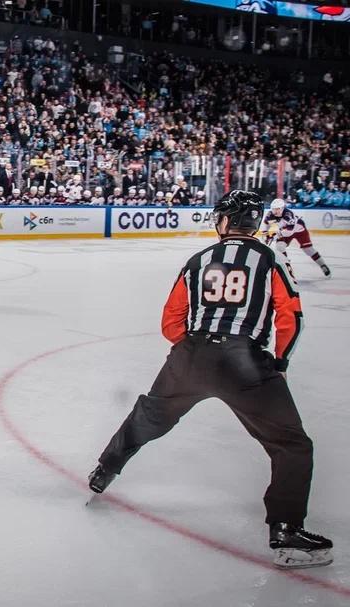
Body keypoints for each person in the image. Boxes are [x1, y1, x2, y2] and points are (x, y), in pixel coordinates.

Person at [88, 190, 333, 570]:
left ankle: (105, 469)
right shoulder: (270, 258)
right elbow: (291, 317)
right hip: (247, 365)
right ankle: (285, 530)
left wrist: (192, 353)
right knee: (291, 445)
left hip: (192, 356)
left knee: (150, 415)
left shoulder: (198, 260)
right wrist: (279, 364)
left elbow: (172, 320)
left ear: (225, 221)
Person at [263, 199, 331, 277]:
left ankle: (322, 265)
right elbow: (266, 226)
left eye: (278, 209)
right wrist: (267, 235)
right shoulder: (269, 215)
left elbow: (289, 231)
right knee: (280, 247)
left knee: (308, 250)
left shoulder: (288, 214)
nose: (275, 211)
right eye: (274, 209)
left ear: (282, 208)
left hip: (299, 230)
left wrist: (274, 235)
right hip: (283, 231)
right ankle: (286, 269)